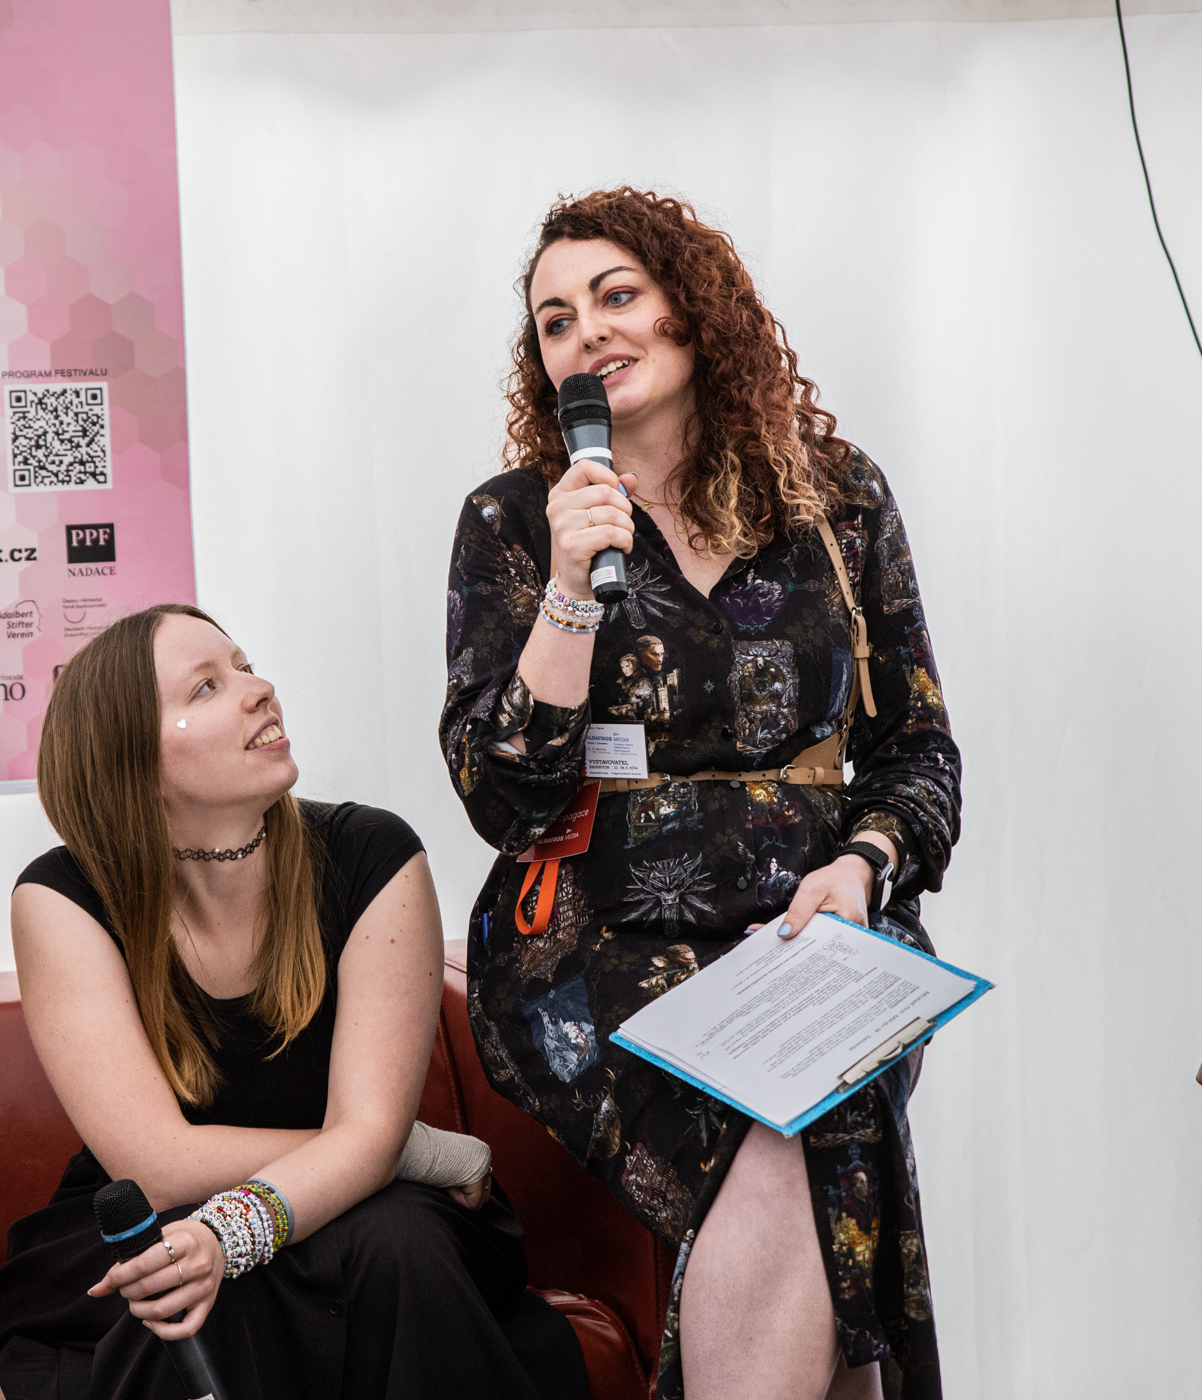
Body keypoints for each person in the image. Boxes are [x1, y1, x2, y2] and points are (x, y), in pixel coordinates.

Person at [441, 188, 962, 1400]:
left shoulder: (836, 498)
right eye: (555, 320)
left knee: (816, 1109)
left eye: (615, 294)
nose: (586, 331)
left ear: (693, 309)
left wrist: (862, 868)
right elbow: (505, 796)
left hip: (819, 928)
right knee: (782, 1123)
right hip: (595, 940)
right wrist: (569, 582)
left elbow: (918, 748)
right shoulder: (513, 518)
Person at [0, 603, 587, 1400]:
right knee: (182, 1288)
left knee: (396, 1240)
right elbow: (158, 1165)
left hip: (370, 1220)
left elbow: (366, 1137)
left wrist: (279, 1204)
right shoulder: (61, 895)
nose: (260, 688)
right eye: (206, 687)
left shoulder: (373, 854)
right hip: (165, 1216)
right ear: (132, 757)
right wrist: (403, 1151)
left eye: (244, 666)